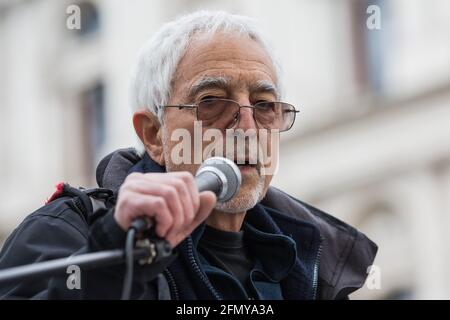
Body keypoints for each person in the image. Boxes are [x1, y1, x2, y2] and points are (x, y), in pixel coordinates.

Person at [0, 10, 377, 300]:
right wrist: (112, 261)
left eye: (264, 106)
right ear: (154, 134)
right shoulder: (68, 231)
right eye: (211, 102)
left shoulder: (319, 261)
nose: (247, 128)